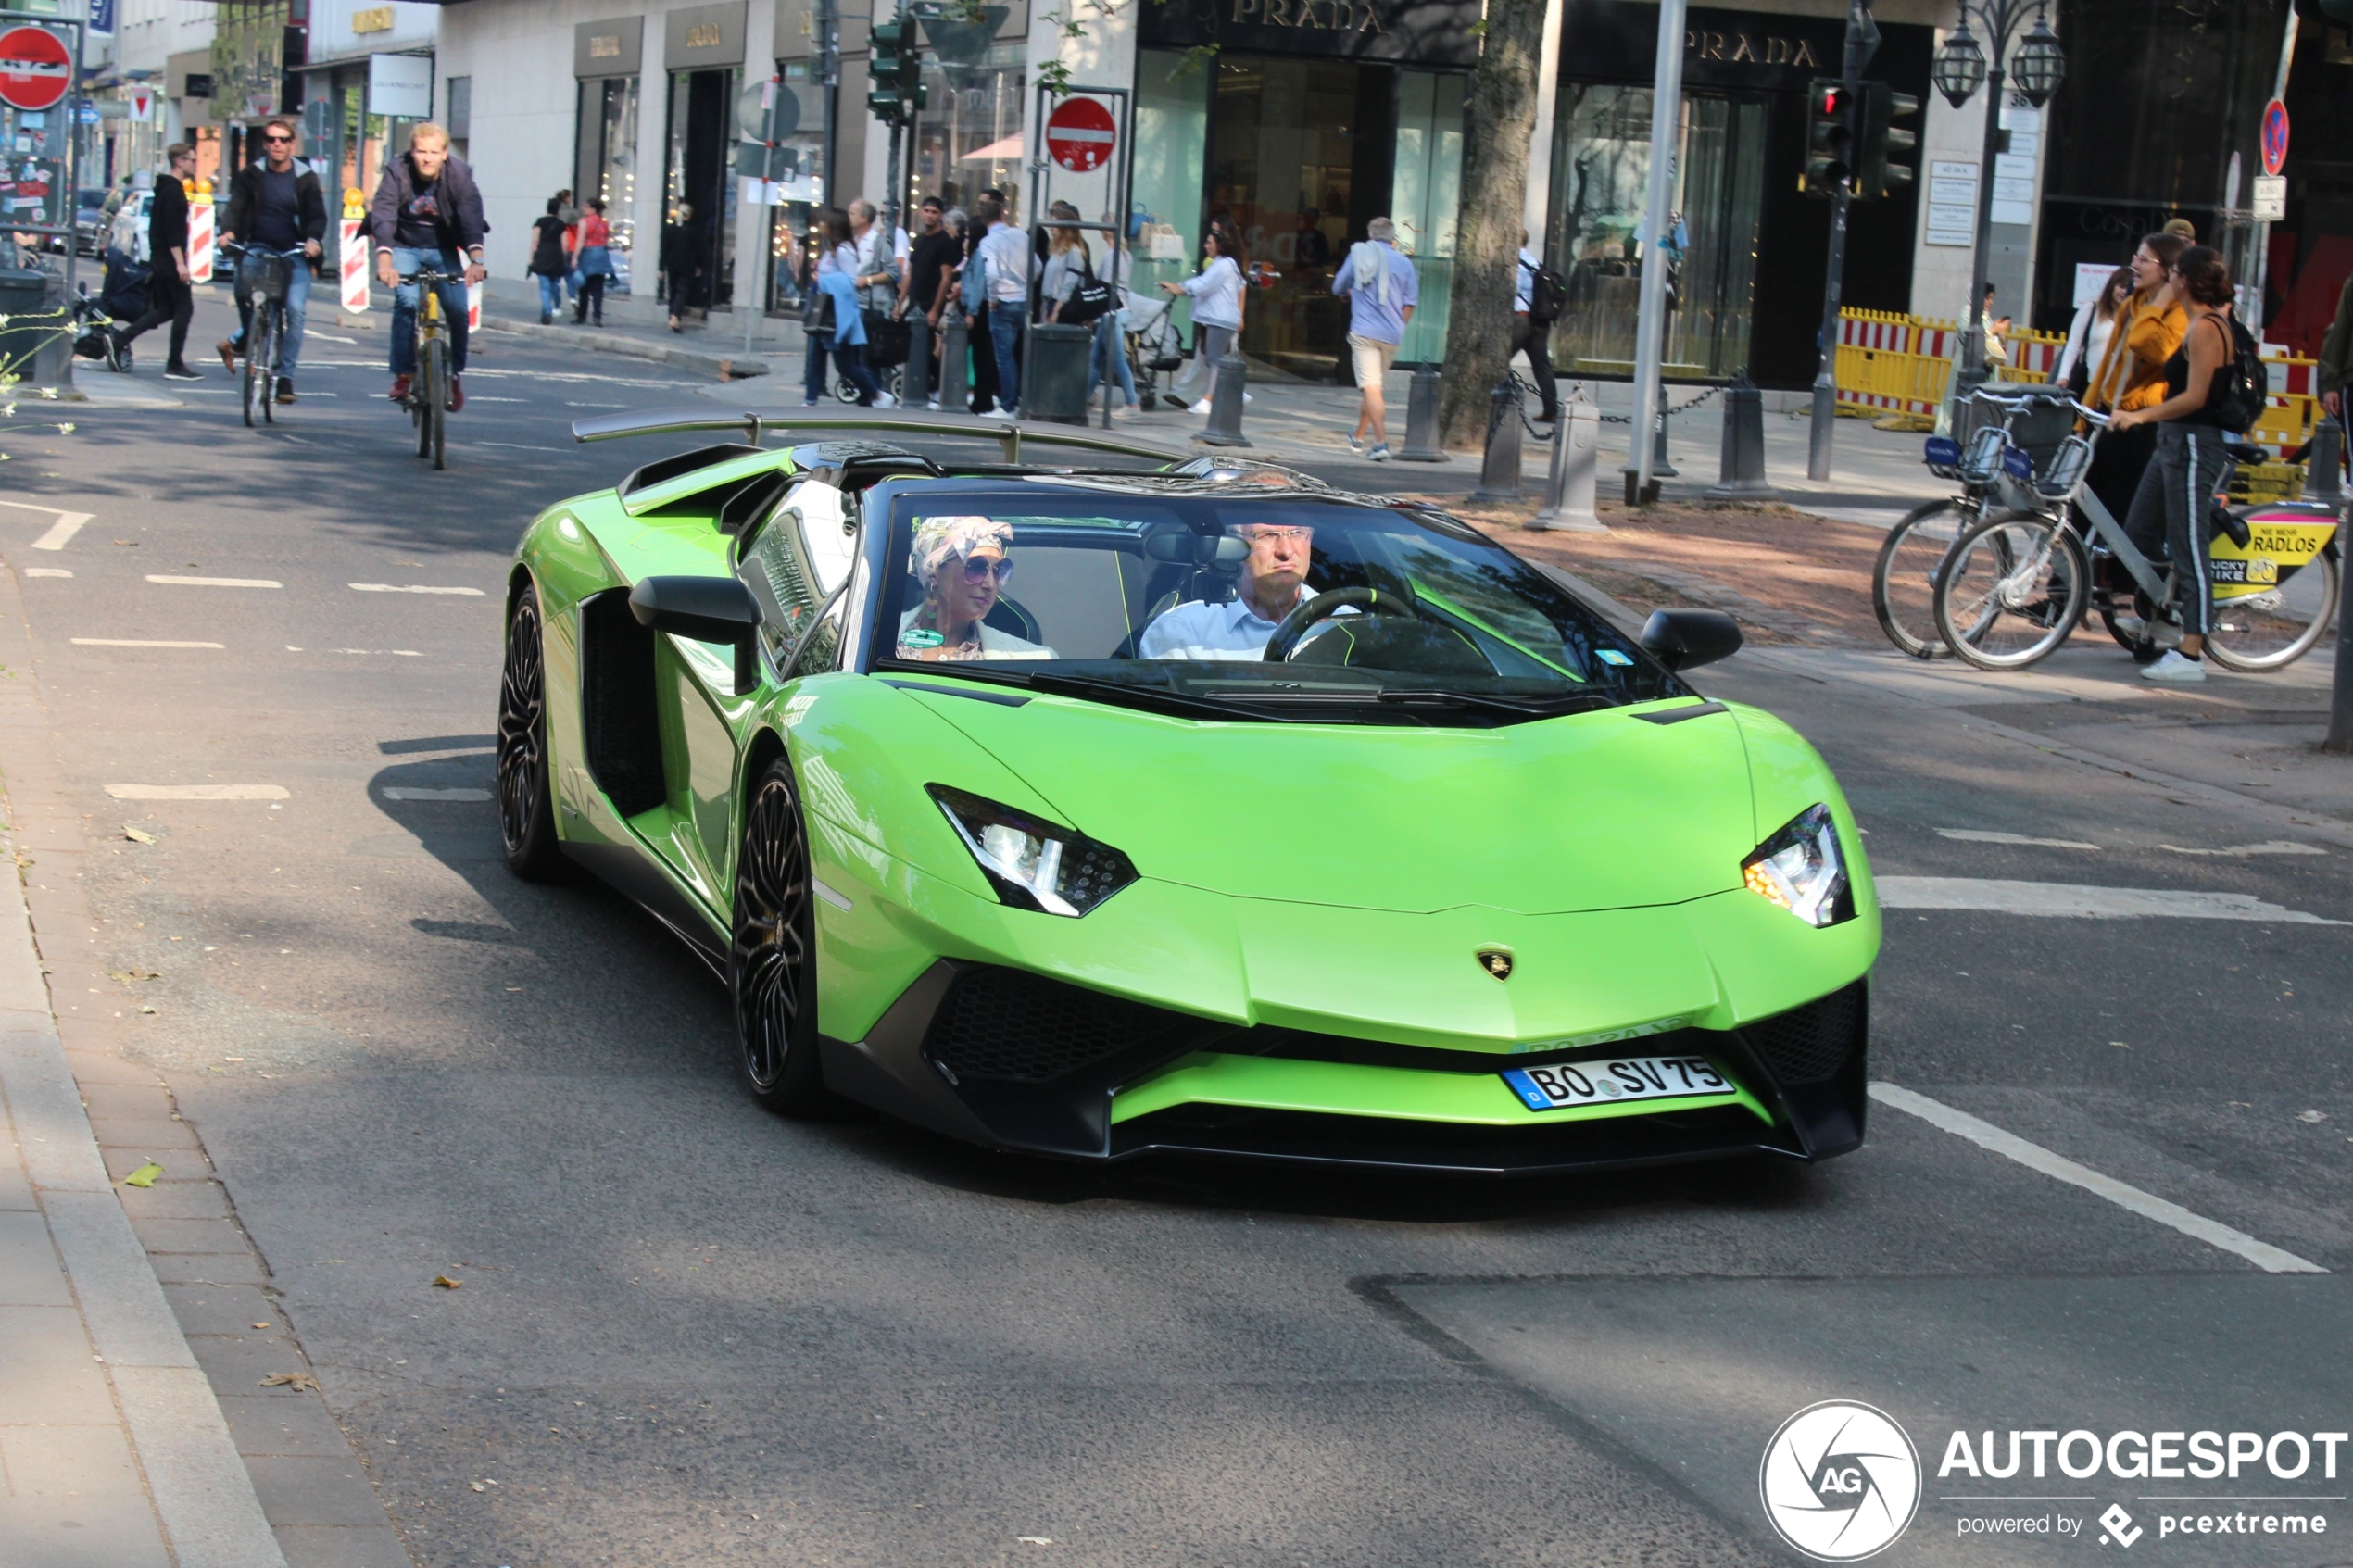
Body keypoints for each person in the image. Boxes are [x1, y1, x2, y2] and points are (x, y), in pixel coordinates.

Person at [2109, 246, 2246, 684]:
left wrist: (2140, 415)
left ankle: (2190, 653)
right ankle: (2160, 618)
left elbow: (2196, 397)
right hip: (2173, 442)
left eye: (2173, 275)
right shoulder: (2195, 321)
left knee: (2189, 546)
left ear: (2185, 280)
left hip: (2193, 444)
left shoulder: (2207, 328)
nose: (2168, 278)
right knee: (2138, 532)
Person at [368, 121, 487, 408]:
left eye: (434, 152)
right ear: (412, 151)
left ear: (445, 153)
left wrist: (476, 260)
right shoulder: (398, 170)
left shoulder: (460, 175)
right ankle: (404, 374)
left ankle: (454, 374)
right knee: (407, 302)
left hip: (443, 248)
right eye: (421, 151)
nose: (427, 158)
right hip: (404, 246)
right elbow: (383, 213)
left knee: (458, 309)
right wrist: (385, 261)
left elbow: (470, 217)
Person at [2082, 231, 2190, 542]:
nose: (2135, 265)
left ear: (2168, 271)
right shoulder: (2132, 302)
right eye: (2136, 257)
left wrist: (2164, 299)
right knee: (2088, 505)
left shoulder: (2179, 312)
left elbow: (2150, 346)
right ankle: (2077, 581)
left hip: (2141, 422)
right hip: (2107, 414)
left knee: (2123, 511)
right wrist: (2085, 415)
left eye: (2144, 259)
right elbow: (2107, 365)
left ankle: (2119, 584)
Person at [216, 117, 324, 404]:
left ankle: (285, 376)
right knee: (241, 285)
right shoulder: (251, 174)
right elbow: (237, 205)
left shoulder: (305, 177)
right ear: (265, 144)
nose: (278, 144)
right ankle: (249, 337)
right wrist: (227, 231)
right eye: (272, 140)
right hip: (260, 248)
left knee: (296, 308)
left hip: (295, 252)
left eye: (284, 140)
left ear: (292, 144)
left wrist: (313, 240)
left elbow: (316, 214)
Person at [1138, 521, 1320, 660]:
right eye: (1268, 535)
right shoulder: (1182, 632)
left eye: (1298, 534)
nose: (1286, 551)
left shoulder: (1341, 621)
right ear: (1233, 545)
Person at [895, 516, 1052, 661]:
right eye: (976, 567)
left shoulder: (1033, 661)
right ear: (934, 574)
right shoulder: (876, 639)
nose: (990, 584)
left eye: (999, 570)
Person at [111, 144, 201, 381]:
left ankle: (121, 338)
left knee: (165, 310)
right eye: (191, 160)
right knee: (184, 308)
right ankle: (174, 364)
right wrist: (180, 263)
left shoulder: (164, 188)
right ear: (179, 162)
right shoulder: (174, 193)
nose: (195, 164)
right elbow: (174, 231)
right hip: (170, 261)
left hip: (160, 259)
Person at [1330, 217, 1416, 459]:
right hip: (1391, 335)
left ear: (1371, 235)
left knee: (1372, 388)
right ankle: (1358, 435)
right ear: (1393, 237)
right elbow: (1410, 302)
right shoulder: (1404, 263)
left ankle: (1381, 443)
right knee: (1373, 388)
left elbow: (1337, 287)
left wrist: (1349, 293)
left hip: (1364, 332)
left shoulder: (1359, 255)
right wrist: (1399, 325)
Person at [802, 209, 888, 408]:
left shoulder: (844, 250)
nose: (821, 225)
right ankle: (810, 399)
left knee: (846, 365)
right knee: (816, 356)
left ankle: (877, 394)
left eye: (824, 222)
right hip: (825, 312)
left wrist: (822, 279)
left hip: (838, 315)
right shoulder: (832, 249)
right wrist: (820, 268)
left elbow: (848, 281)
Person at [1163, 223, 1246, 417]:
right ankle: (1231, 396)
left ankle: (1208, 399)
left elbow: (1203, 285)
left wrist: (1179, 288)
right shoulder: (1225, 264)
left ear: (1220, 245)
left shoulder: (1224, 265)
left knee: (1214, 360)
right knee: (1215, 359)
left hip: (1220, 319)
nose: (1206, 246)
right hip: (1219, 318)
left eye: (1209, 243)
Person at [975, 192, 1032, 415]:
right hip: (1023, 299)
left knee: (1004, 356)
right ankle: (1016, 399)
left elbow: (991, 273)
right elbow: (1035, 266)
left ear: (984, 220)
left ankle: (1009, 405)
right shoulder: (1021, 235)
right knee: (1021, 353)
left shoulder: (988, 242)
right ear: (1003, 214)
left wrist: (992, 298)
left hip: (1003, 302)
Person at [2054, 264, 2134, 395]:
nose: (2124, 292)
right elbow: (2074, 345)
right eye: (2121, 286)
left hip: (2119, 388)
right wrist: (2064, 376)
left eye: (2128, 288)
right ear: (2112, 286)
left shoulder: (2133, 317)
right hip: (2089, 382)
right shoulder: (2091, 309)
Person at [1513, 229, 1558, 429]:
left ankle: (1493, 402)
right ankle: (1551, 410)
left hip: (1519, 319)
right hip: (1540, 322)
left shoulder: (1514, 264)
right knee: (1542, 367)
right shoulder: (1535, 263)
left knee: (1495, 360)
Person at [571, 198, 615, 326]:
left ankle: (582, 316)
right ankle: (597, 316)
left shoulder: (584, 222)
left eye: (586, 206)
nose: (584, 208)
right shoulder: (604, 223)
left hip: (588, 254)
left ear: (593, 209)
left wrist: (575, 257)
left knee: (583, 287)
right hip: (601, 255)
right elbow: (606, 239)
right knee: (598, 288)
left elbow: (580, 241)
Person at [528, 196, 571, 323]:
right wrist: (562, 259)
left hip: (543, 254)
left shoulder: (540, 222)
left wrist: (531, 259)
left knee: (544, 286)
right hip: (556, 255)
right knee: (553, 285)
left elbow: (534, 241)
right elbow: (565, 245)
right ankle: (546, 312)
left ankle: (547, 311)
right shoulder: (561, 224)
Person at [661, 202, 702, 332]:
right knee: (682, 291)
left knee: (673, 291)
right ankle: (675, 316)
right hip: (687, 264)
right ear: (688, 216)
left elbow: (664, 249)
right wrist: (699, 265)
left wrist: (661, 268)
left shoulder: (669, 229)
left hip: (672, 264)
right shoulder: (692, 230)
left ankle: (672, 316)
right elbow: (698, 250)